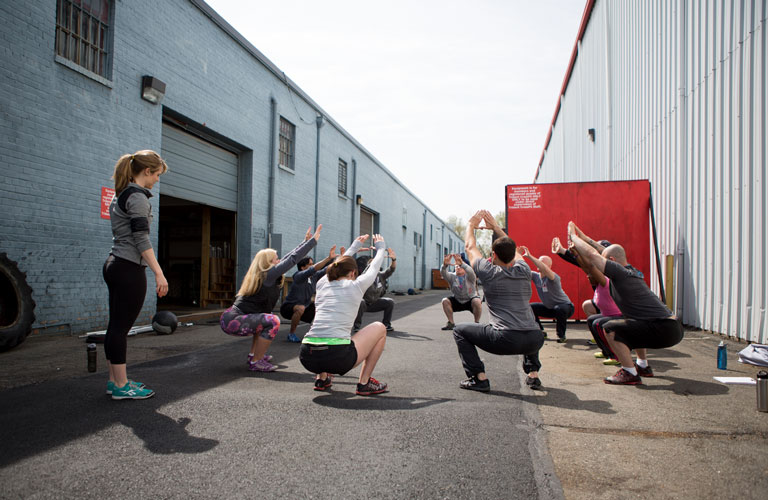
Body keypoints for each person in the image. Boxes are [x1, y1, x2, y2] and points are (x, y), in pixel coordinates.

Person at [568, 221, 684, 384]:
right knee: (632, 324)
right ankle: (642, 366)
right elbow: (600, 252)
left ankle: (629, 373)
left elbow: (594, 256)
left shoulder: (620, 274)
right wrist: (583, 236)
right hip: (672, 327)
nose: (602, 266)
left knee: (610, 328)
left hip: (664, 329)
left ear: (613, 261)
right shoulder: (631, 271)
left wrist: (572, 235)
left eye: (606, 262)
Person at [451, 210, 545, 392]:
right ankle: (533, 375)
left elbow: (470, 247)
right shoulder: (524, 270)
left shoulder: (488, 272)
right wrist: (495, 227)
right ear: (513, 255)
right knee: (528, 322)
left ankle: (479, 378)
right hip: (535, 338)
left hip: (505, 339)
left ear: (493, 255)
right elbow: (514, 249)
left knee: (459, 330)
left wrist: (471, 225)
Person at [103, 150, 168, 400]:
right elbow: (141, 238)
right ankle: (121, 386)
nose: (157, 180)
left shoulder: (122, 193)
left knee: (115, 326)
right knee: (121, 328)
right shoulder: (138, 197)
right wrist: (159, 273)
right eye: (157, 175)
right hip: (128, 267)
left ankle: (115, 381)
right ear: (147, 172)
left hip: (116, 264)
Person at [220, 225, 322, 372]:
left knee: (264, 320)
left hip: (233, 319)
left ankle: (254, 355)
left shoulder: (265, 274)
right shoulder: (267, 275)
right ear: (268, 262)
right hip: (232, 320)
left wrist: (304, 242)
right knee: (272, 321)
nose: (279, 260)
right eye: (275, 259)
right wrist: (312, 241)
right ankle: (256, 362)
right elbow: (291, 260)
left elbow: (288, 258)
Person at [300, 234, 389, 395]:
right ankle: (364, 383)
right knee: (380, 328)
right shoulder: (356, 285)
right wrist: (381, 248)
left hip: (307, 356)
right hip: (338, 358)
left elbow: (336, 265)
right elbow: (375, 267)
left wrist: (354, 247)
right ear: (353, 273)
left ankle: (322, 379)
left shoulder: (322, 284)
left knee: (324, 331)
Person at [568, 245, 623, 364]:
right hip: (607, 315)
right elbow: (587, 268)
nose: (588, 277)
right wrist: (576, 255)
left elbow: (590, 267)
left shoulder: (605, 281)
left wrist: (579, 253)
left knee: (598, 323)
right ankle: (606, 351)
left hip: (617, 316)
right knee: (592, 320)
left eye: (591, 275)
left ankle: (616, 356)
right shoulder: (598, 284)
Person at [279, 246, 337, 343]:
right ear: (302, 267)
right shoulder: (299, 276)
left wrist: (340, 259)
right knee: (300, 308)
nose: (312, 265)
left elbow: (327, 269)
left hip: (305, 307)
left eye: (312, 264)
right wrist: (328, 258)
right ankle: (291, 334)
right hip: (288, 308)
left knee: (323, 306)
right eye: (310, 264)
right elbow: (313, 269)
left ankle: (318, 333)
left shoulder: (314, 277)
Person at [518, 246, 574, 343]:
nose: (539, 264)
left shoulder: (553, 277)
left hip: (566, 307)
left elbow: (546, 270)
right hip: (550, 308)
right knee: (530, 307)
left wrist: (530, 256)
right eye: (539, 262)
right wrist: (517, 255)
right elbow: (522, 269)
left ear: (549, 267)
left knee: (559, 309)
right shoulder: (535, 276)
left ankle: (561, 335)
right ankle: (540, 331)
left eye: (543, 263)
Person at [353, 247, 397, 332]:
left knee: (389, 301)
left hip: (375, 303)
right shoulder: (364, 276)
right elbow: (366, 270)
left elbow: (392, 269)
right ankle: (357, 327)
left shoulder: (381, 275)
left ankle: (386, 325)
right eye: (373, 266)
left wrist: (393, 259)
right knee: (361, 302)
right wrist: (376, 258)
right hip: (364, 304)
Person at [440, 253, 482, 330]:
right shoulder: (451, 276)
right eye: (456, 267)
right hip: (458, 300)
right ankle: (451, 323)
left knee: (477, 301)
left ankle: (477, 324)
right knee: (445, 301)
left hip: (470, 299)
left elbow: (471, 271)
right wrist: (444, 266)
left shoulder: (470, 276)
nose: (458, 268)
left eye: (460, 266)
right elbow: (443, 273)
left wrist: (462, 263)